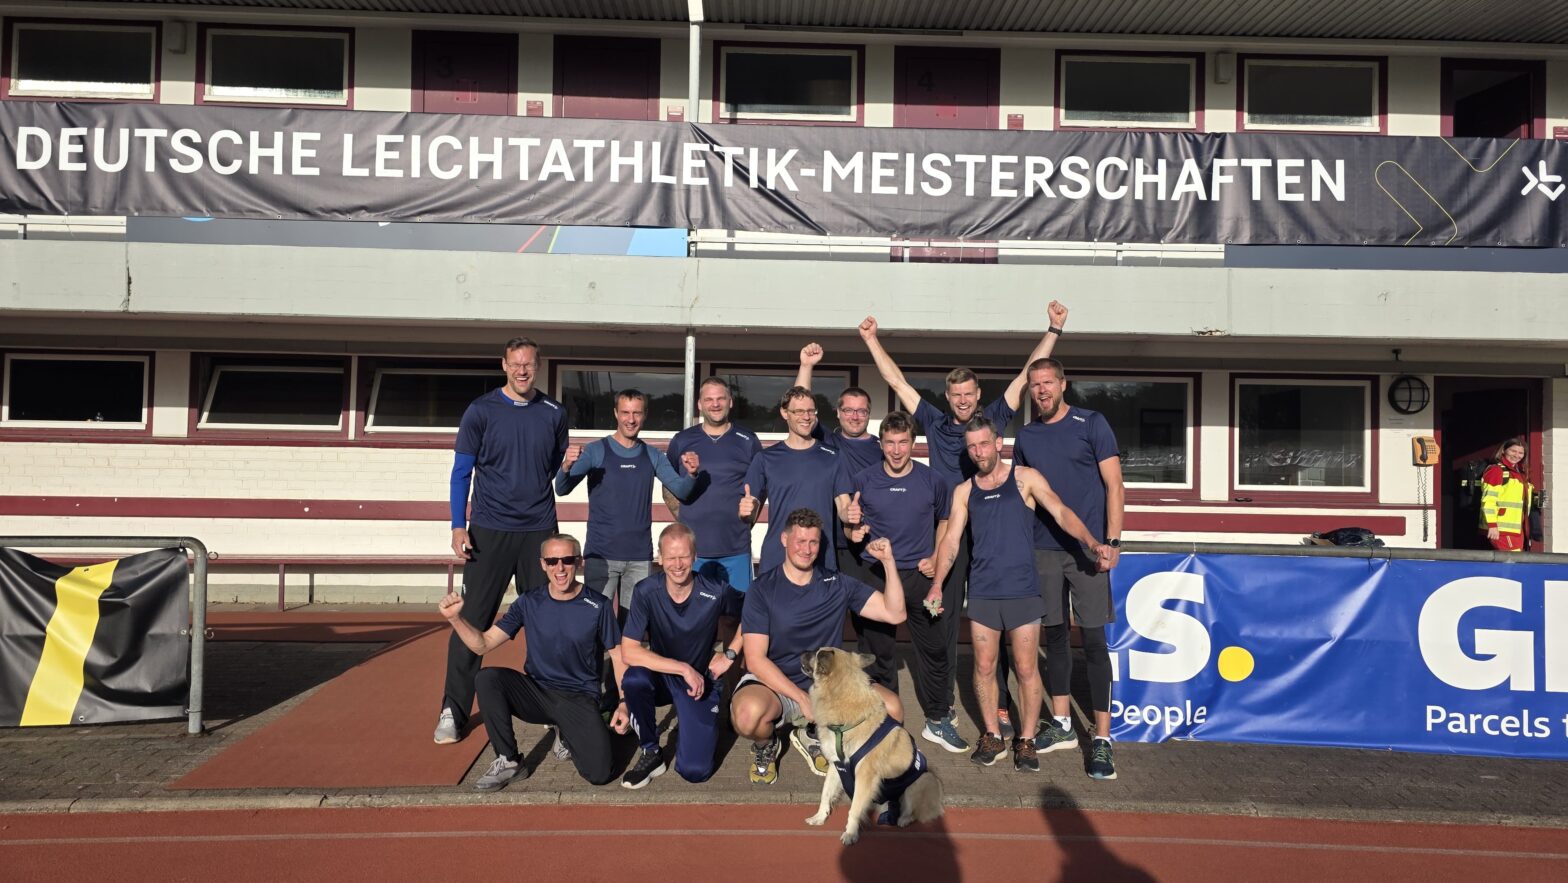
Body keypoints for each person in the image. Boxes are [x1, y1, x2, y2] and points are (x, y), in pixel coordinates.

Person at [858, 302, 1069, 739]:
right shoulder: (933, 421)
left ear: (977, 394)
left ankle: (1003, 706)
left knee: (1003, 622)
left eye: (969, 394)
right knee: (949, 621)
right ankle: (946, 708)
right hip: (951, 535)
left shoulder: (993, 419)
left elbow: (1024, 377)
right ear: (948, 396)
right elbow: (896, 381)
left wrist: (1053, 330)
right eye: (955, 395)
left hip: (995, 535)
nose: (962, 400)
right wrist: (871, 340)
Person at [927, 417, 1109, 773]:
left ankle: (1025, 740)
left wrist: (1091, 542)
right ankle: (992, 734)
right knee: (983, 667)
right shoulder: (964, 491)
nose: (978, 452)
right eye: (972, 447)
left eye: (984, 444)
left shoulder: (1026, 478)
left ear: (998, 443)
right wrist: (937, 583)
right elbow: (950, 542)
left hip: (1023, 590)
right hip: (983, 591)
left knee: (1026, 668)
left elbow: (1061, 512)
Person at [438, 336, 568, 745]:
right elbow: (461, 472)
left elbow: (553, 468)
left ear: (538, 366)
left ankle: (554, 707)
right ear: (504, 365)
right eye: (515, 363)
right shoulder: (480, 411)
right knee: (472, 619)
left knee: (547, 621)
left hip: (539, 531)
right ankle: (453, 710)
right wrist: (458, 525)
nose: (522, 370)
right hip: (488, 531)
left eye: (529, 363)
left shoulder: (554, 413)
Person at [731, 508, 907, 785]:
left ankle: (813, 734)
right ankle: (767, 744)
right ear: (784, 540)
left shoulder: (836, 584)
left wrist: (888, 562)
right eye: (800, 541)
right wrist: (802, 700)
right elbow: (755, 660)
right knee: (746, 716)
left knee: (893, 709)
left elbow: (895, 613)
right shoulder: (763, 589)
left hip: (829, 685)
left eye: (813, 542)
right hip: (776, 685)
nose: (807, 549)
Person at [437, 534, 626, 790]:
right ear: (542, 564)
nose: (560, 568)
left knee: (600, 774)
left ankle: (570, 733)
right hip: (537, 694)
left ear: (579, 562)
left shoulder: (598, 605)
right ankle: (509, 761)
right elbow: (483, 644)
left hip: (578, 697)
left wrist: (624, 703)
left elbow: (618, 656)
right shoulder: (528, 602)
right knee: (488, 678)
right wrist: (455, 619)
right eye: (552, 561)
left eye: (567, 560)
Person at [1012, 357, 1125, 780]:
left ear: (1063, 384)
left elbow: (1115, 485)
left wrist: (1112, 541)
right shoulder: (1026, 436)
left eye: (1047, 382)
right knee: (1055, 638)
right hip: (1042, 550)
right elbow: (1025, 495)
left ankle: (1102, 738)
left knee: (1093, 641)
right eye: (1035, 384)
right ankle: (1061, 724)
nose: (1041, 390)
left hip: (1088, 551)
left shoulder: (1091, 423)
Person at [835, 411, 965, 752]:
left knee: (935, 650)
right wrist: (852, 530)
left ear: (913, 443)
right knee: (878, 653)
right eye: (890, 443)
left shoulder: (933, 480)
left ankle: (938, 718)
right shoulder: (863, 479)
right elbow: (851, 526)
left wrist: (936, 556)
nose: (896, 450)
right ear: (881, 444)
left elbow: (945, 520)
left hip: (920, 577)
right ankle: (882, 723)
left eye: (902, 442)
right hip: (876, 575)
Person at [616, 523, 745, 789]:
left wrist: (730, 654)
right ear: (659, 558)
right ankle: (651, 751)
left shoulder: (716, 590)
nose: (677, 564)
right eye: (671, 557)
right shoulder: (645, 591)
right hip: (663, 676)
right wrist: (683, 668)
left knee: (695, 771)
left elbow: (755, 614)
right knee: (634, 679)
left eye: (684, 556)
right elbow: (629, 650)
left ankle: (701, 723)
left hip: (699, 683)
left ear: (694, 556)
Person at [555, 389, 702, 611]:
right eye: (625, 412)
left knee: (634, 624)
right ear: (616, 413)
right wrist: (566, 466)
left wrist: (691, 474)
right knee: (596, 620)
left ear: (645, 415)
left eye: (636, 413)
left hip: (639, 556)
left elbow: (682, 491)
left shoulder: (652, 455)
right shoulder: (596, 451)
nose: (631, 419)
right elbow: (562, 489)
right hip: (601, 556)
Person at [665, 377, 763, 590]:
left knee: (737, 609)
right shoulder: (682, 440)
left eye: (721, 398)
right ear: (700, 404)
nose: (715, 404)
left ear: (730, 402)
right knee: (697, 609)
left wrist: (748, 518)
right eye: (709, 399)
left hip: (736, 548)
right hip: (693, 552)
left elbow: (759, 489)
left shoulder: (748, 441)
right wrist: (685, 520)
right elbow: (668, 486)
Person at [740, 386, 843, 573]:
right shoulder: (765, 458)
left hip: (821, 558)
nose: (806, 417)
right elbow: (750, 513)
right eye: (799, 411)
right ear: (784, 413)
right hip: (777, 558)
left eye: (811, 411)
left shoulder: (833, 457)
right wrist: (746, 511)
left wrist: (852, 515)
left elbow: (844, 508)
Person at [1480, 438, 1535, 552]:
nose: (1516, 455)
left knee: (1512, 560)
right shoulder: (1496, 470)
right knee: (1510, 560)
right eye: (1513, 451)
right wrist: (1492, 525)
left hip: (1517, 529)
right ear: (1503, 450)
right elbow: (1489, 499)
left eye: (1520, 453)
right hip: (1501, 530)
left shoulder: (1519, 473)